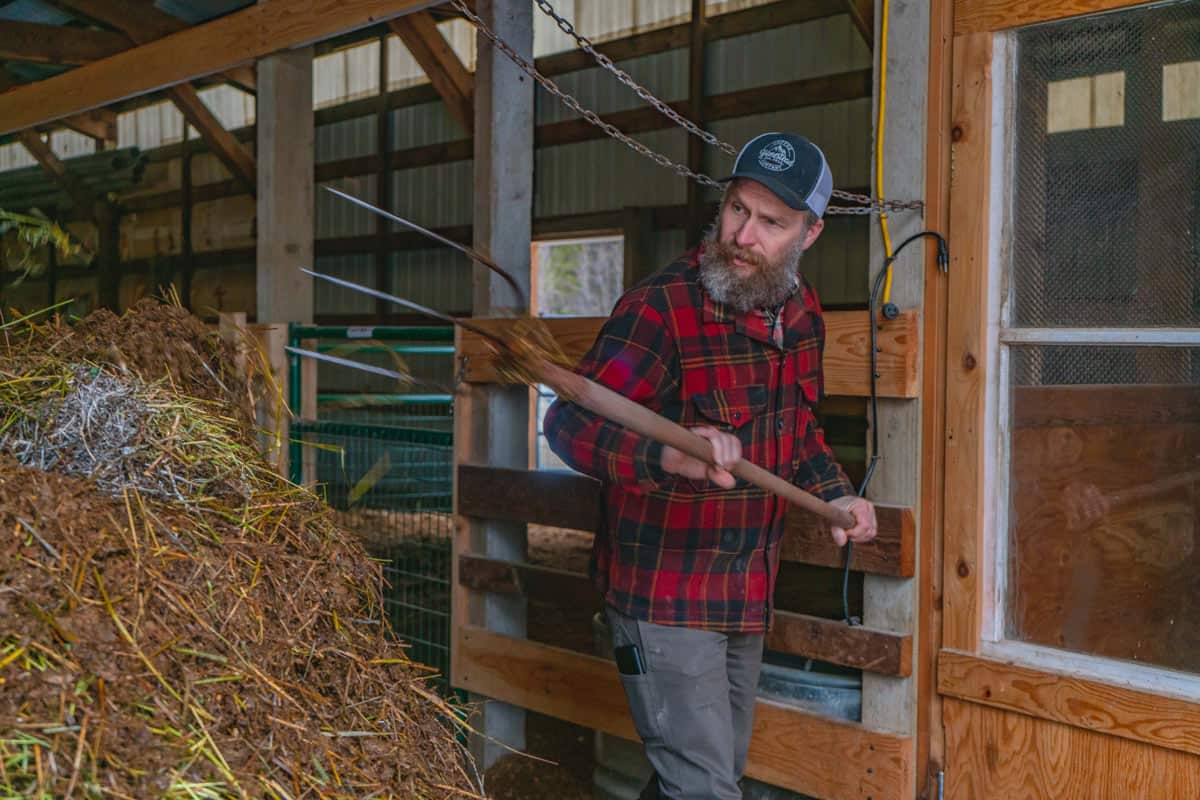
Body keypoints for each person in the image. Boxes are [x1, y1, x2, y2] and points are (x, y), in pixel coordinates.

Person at [542, 132, 878, 800]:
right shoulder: (661, 308)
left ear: (809, 236)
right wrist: (665, 455)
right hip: (664, 596)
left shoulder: (802, 316)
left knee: (707, 777)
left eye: (771, 223)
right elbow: (568, 424)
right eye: (736, 210)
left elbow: (799, 429)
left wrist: (839, 496)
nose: (743, 235)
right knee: (704, 788)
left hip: (747, 590)